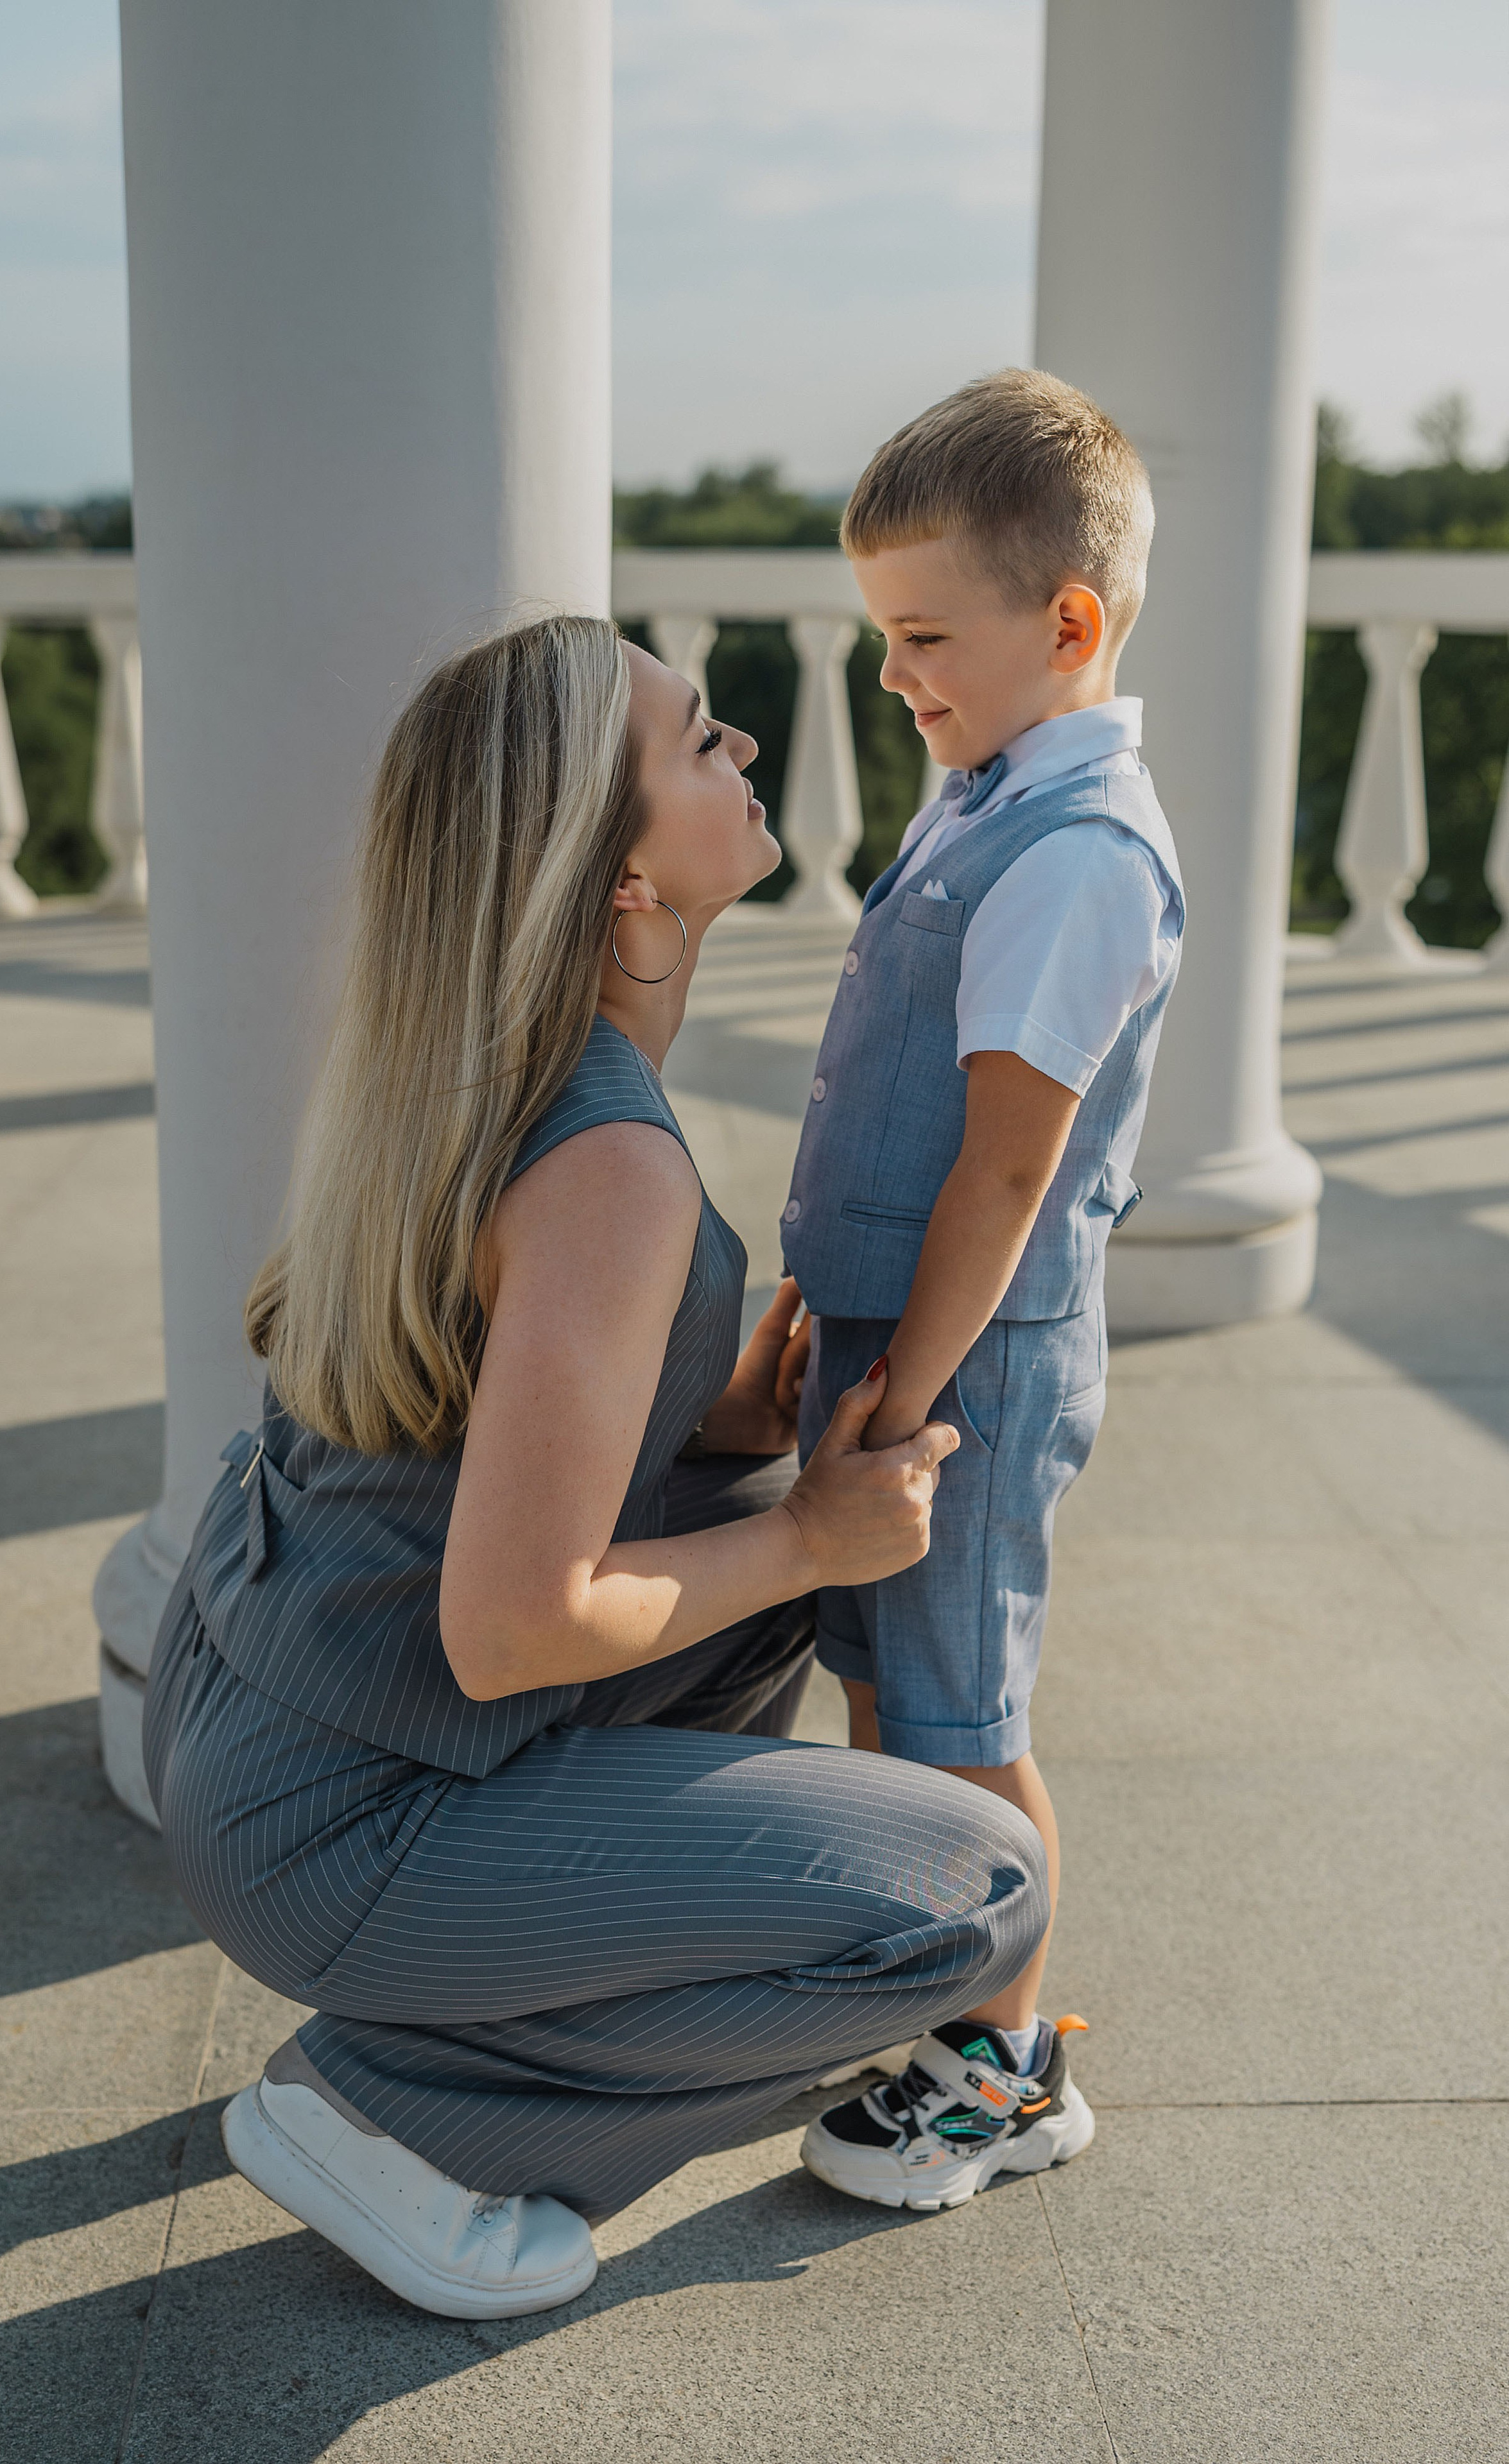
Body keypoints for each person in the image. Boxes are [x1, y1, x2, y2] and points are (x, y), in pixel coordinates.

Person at [142, 613, 1049, 2323]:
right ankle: (403, 2119)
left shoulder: (467, 1071)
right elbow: (512, 1629)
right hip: (339, 1825)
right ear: (620, 881)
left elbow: (457, 1428)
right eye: (705, 741)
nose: (750, 753)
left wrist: (715, 1423)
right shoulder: (607, 1167)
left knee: (749, 1590)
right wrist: (810, 1534)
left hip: (244, 1723)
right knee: (972, 1903)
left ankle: (468, 2004)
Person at [783, 369, 1185, 2211]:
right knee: (896, 1692)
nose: (893, 678)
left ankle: (1006, 2077)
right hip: (896, 1331)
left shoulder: (1083, 848)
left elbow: (1009, 1165)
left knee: (964, 1717)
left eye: (923, 635)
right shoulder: (989, 785)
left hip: (971, 1358)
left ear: (1069, 623)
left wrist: (905, 1389)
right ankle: (943, 1997)